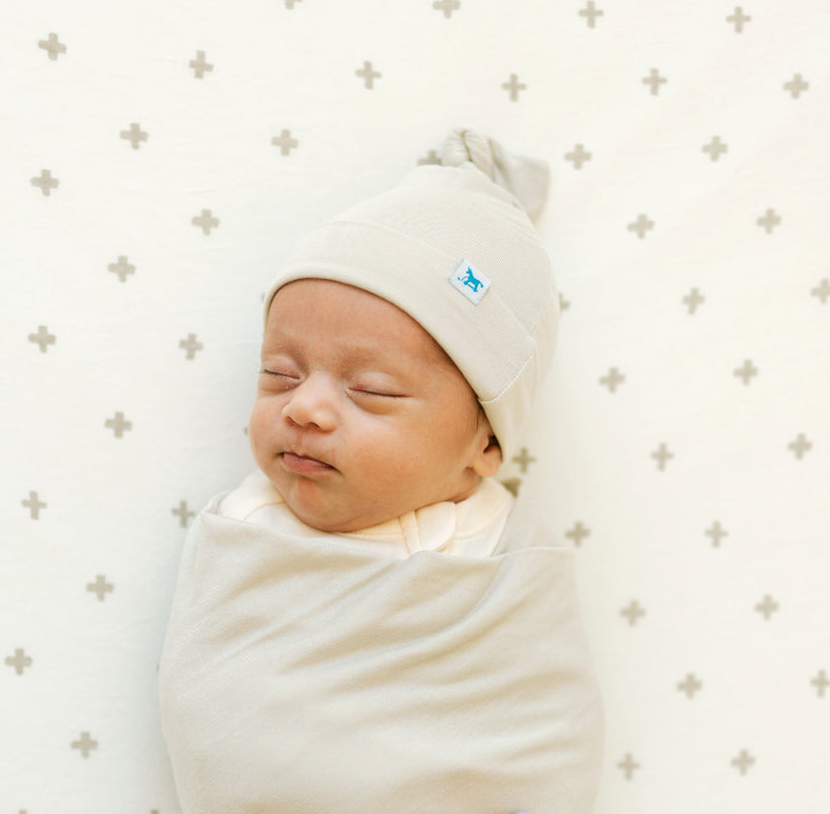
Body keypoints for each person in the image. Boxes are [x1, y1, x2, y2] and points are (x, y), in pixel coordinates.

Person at [158, 130, 605, 813]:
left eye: (371, 390)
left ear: (485, 446)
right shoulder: (248, 533)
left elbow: (548, 734)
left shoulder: (507, 552)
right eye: (280, 374)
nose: (305, 407)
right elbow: (218, 717)